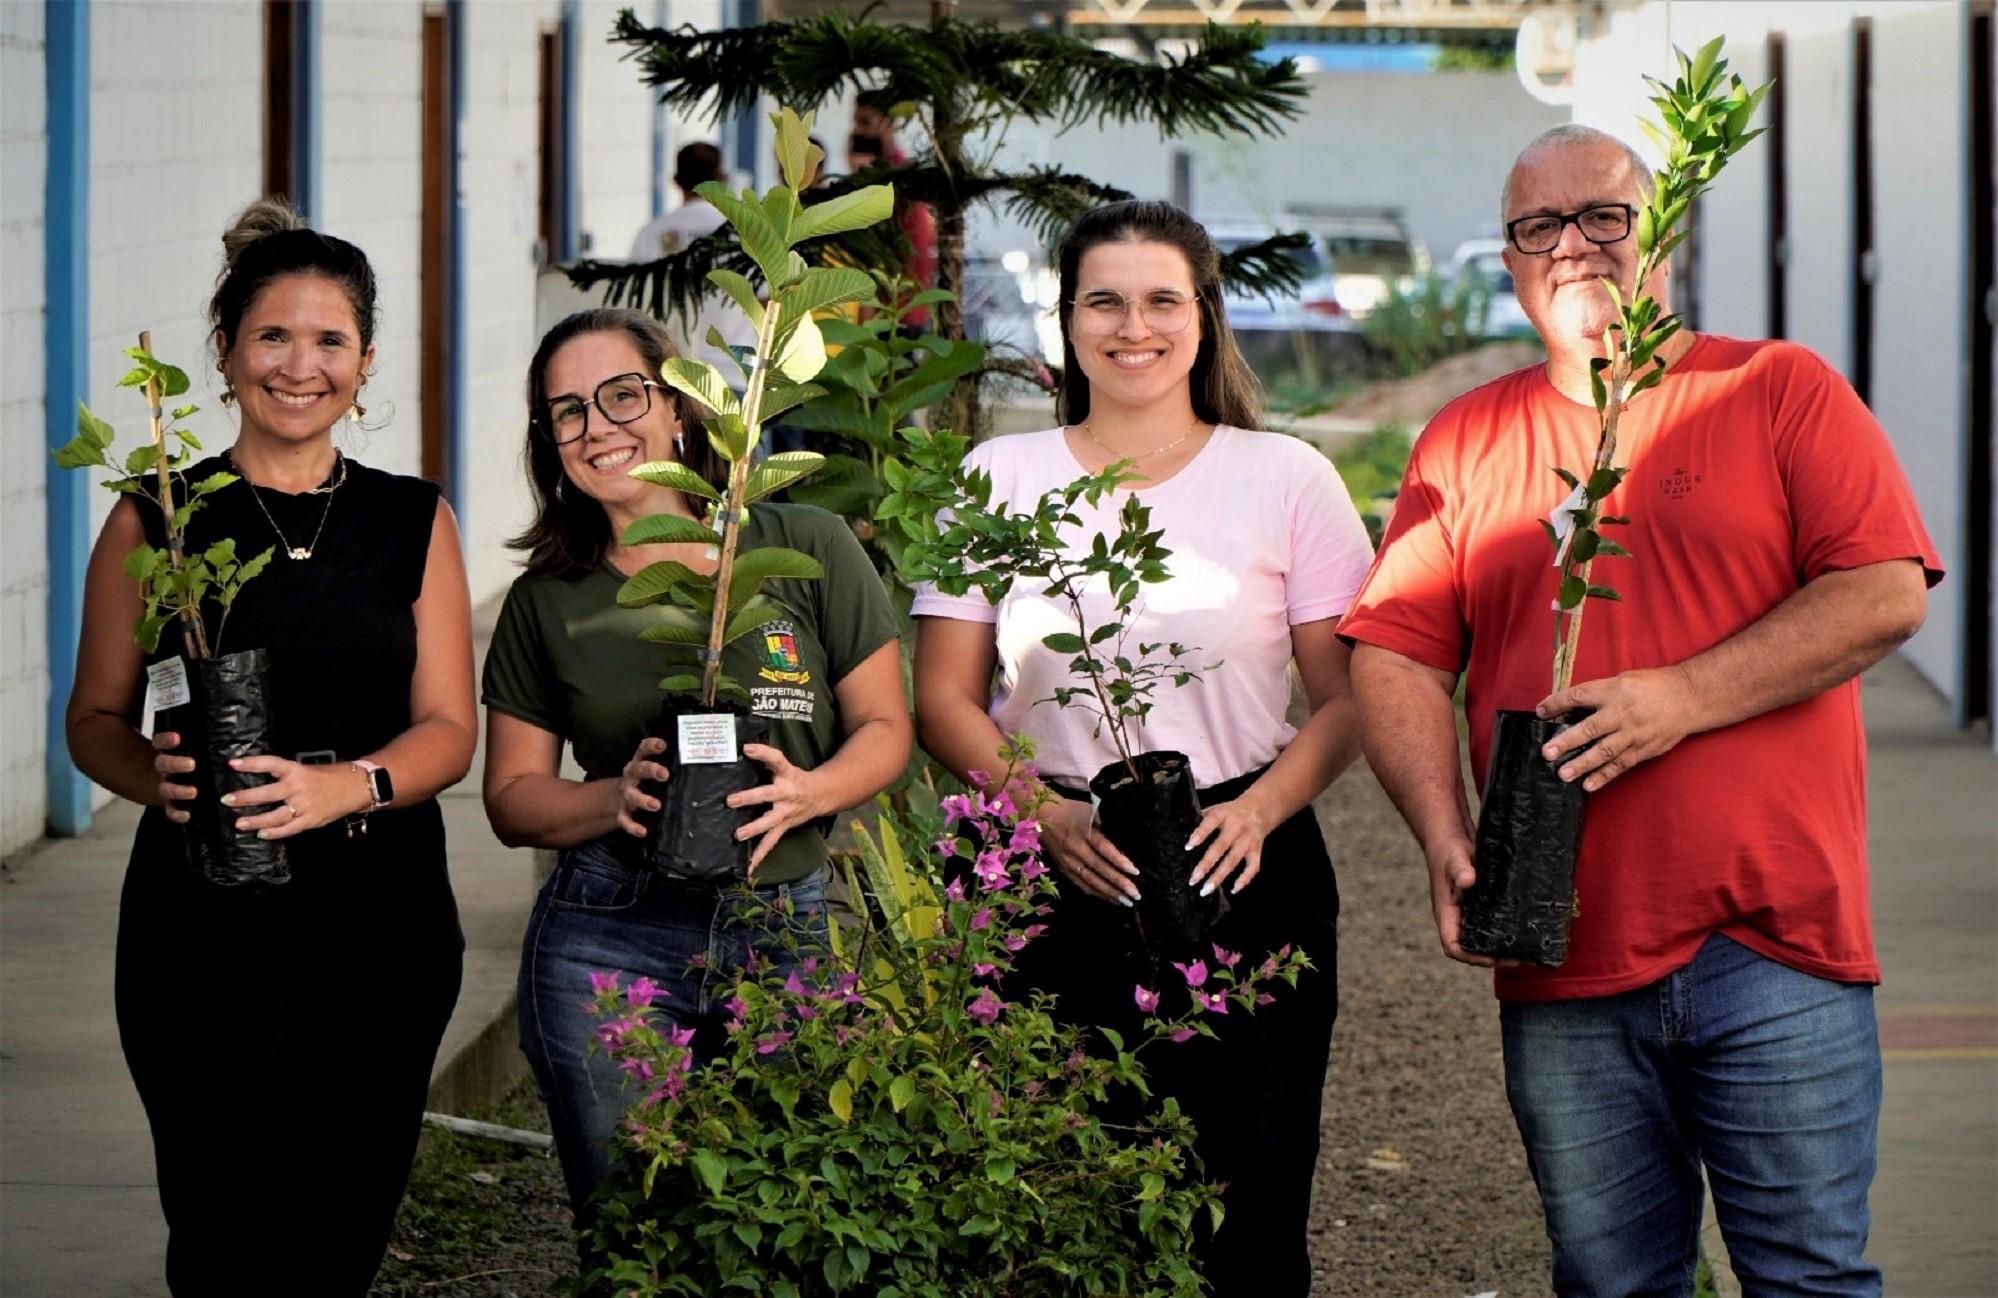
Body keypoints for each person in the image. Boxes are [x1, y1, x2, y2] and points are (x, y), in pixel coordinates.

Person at [1339, 124, 1941, 1296]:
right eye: (1538, 227)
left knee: (1808, 1277)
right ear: (1510, 261)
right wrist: (1442, 832)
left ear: (1661, 236)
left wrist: (1684, 697)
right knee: (1612, 1282)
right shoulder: (1466, 440)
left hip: (1776, 942)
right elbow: (1398, 653)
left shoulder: (1777, 390)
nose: (1574, 247)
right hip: (1563, 949)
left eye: (1604, 217)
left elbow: (1883, 590)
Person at [910, 200, 1373, 1296]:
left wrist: (1261, 810)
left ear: (1204, 316)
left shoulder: (1285, 477)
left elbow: (1351, 700)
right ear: (1066, 318)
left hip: (1241, 861)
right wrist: (1044, 813)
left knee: (1248, 1197)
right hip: (1045, 868)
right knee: (1053, 1193)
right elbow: (941, 695)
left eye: (1162, 298)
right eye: (1103, 300)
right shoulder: (1000, 475)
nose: (1134, 326)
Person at [66, 198, 475, 1295]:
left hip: (380, 917)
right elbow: (94, 721)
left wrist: (352, 783)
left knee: (343, 1221)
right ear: (226, 352)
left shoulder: (412, 519)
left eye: (330, 339)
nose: (302, 366)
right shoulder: (155, 519)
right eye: (273, 337)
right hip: (202, 923)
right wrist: (154, 775)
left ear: (367, 358)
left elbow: (449, 730)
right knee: (221, 1222)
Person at [480, 307, 911, 1223]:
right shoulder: (547, 601)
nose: (597, 427)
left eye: (621, 395)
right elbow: (513, 801)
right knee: (633, 1234)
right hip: (607, 938)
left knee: (789, 1226)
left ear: (679, 408)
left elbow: (883, 729)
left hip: (784, 925)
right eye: (567, 412)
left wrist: (810, 791)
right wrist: (612, 797)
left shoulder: (800, 548)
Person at [628, 141, 757, 383]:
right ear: (723, 179)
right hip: (736, 373)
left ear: (676, 181)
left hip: (672, 374)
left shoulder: (651, 234)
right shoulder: (746, 234)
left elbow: (636, 305)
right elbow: (768, 302)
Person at [847, 89, 937, 328]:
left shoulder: (900, 180)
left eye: (864, 123)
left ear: (889, 126)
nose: (856, 131)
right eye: (855, 122)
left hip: (897, 310)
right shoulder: (892, 174)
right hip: (890, 309)